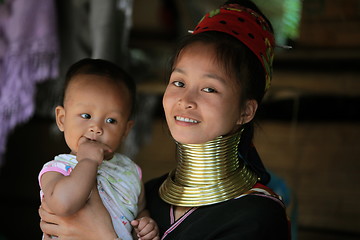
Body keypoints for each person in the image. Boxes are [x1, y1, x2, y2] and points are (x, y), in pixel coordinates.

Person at [39, 1, 291, 239]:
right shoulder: (146, 195)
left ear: (245, 111)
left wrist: (103, 235)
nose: (186, 99)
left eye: (209, 89)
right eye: (179, 82)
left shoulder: (257, 216)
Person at [38, 58, 159, 240]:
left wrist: (144, 224)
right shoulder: (58, 169)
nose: (97, 128)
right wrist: (88, 161)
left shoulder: (130, 171)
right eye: (86, 115)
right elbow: (63, 204)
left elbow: (139, 210)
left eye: (111, 120)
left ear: (125, 130)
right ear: (62, 119)